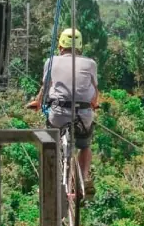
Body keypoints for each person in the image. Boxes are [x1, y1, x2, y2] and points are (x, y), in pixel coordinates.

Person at [27, 28, 99, 196]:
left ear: (60, 46)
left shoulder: (51, 61)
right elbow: (95, 92)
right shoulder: (91, 63)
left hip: (58, 113)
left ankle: (48, 180)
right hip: (83, 114)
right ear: (80, 47)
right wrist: (94, 105)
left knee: (49, 143)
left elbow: (45, 88)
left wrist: (38, 102)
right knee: (85, 145)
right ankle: (83, 178)